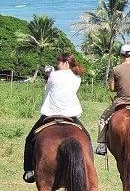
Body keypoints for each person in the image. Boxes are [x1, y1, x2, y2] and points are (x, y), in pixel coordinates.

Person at [22, 53, 91, 183]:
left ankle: (29, 170)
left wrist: (49, 74)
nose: (57, 65)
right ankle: (89, 167)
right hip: (71, 114)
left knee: (30, 139)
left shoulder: (53, 75)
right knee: (87, 138)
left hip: (50, 113)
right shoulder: (77, 78)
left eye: (58, 62)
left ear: (65, 63)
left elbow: (48, 90)